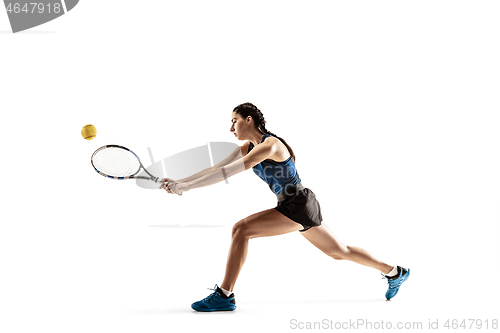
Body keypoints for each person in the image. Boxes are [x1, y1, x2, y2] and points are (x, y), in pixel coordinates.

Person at [160, 102, 410, 311]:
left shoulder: (271, 145)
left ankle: (224, 296)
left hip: (297, 204)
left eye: (234, 121)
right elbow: (216, 169)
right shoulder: (248, 147)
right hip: (297, 204)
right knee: (339, 251)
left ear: (249, 120)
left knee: (241, 229)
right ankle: (395, 272)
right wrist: (181, 182)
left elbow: (229, 172)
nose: (231, 127)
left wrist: (188, 188)